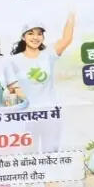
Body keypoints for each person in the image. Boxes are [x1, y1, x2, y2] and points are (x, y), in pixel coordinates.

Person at [12, 14, 76, 150]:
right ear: (23, 37)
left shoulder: (48, 55)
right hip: (26, 116)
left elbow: (67, 39)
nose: (35, 37)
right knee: (30, 155)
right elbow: (10, 87)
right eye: (30, 33)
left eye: (39, 34)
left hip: (50, 114)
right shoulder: (14, 60)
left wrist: (71, 14)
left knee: (51, 154)